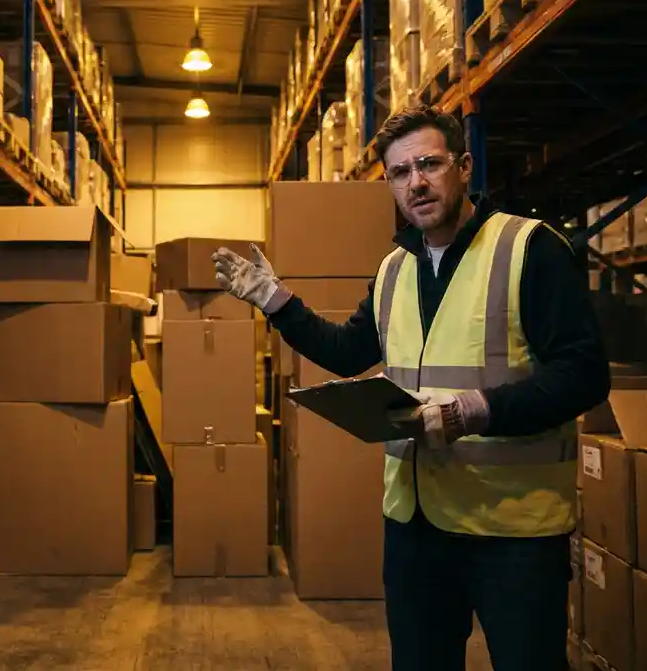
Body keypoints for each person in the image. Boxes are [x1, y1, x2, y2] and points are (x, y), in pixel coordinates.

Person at [212, 105, 610, 671]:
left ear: (464, 166)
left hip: (512, 530)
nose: (415, 183)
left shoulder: (529, 250)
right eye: (400, 172)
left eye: (429, 164)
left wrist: (471, 411)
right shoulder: (396, 268)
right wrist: (275, 301)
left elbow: (585, 374)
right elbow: (349, 352)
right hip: (416, 527)